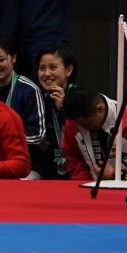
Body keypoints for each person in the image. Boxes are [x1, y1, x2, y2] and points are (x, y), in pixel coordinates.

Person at [0, 33, 55, 179]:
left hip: (26, 166)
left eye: (1, 59)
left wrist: (4, 141)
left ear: (14, 58)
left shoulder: (29, 90)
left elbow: (39, 134)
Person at [63, 87, 127, 184]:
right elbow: (72, 157)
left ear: (100, 109)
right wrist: (86, 184)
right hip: (90, 188)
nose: (83, 129)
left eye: (86, 124)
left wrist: (115, 175)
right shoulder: (74, 121)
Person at [35, 43, 76, 178]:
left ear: (68, 70)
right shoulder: (37, 98)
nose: (46, 74)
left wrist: (63, 110)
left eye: (53, 67)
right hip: (48, 170)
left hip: (78, 168)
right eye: (42, 68)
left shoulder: (80, 97)